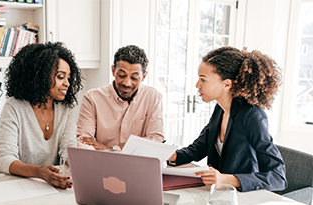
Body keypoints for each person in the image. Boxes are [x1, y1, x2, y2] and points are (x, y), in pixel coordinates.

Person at [167, 46, 287, 192]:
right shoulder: (220, 109)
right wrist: (170, 155)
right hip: (218, 195)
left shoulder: (252, 116)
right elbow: (200, 148)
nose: (197, 85)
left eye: (203, 80)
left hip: (244, 198)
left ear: (227, 83)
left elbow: (278, 177)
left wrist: (226, 179)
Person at [0, 42, 83, 189]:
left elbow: (68, 147)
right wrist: (39, 172)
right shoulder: (14, 106)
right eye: (60, 77)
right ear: (41, 76)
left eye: (69, 78)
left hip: (46, 184)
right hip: (8, 184)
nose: (67, 83)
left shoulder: (68, 108)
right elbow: (4, 159)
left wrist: (74, 163)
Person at [77, 45, 164, 150]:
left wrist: (112, 149)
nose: (127, 83)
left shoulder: (153, 97)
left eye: (134, 78)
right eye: (122, 75)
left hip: (138, 164)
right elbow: (84, 141)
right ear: (113, 70)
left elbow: (156, 140)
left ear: (144, 76)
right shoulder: (92, 98)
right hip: (101, 163)